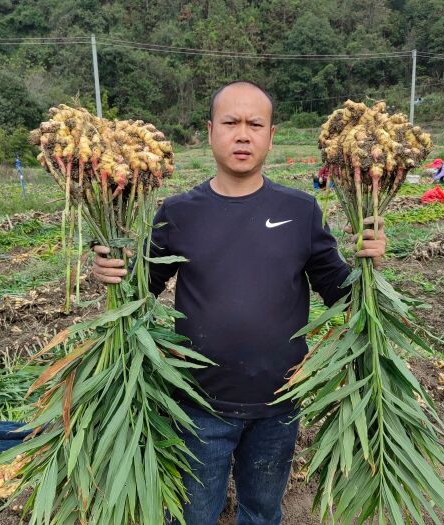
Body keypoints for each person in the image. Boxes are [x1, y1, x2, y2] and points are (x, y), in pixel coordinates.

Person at [92, 80, 386, 525]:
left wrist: (370, 267)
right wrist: (113, 276)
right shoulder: (178, 211)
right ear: (211, 131)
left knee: (262, 511)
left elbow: (341, 293)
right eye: (231, 123)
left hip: (279, 405)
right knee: (192, 514)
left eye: (255, 124)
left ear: (271, 134)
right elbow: (140, 293)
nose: (243, 134)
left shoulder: (302, 210)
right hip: (196, 404)